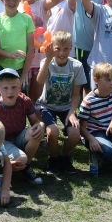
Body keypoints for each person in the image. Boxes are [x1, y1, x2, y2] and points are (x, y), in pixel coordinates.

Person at [35, 31, 87, 173]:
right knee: (52, 132)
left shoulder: (76, 66)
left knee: (75, 134)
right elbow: (39, 81)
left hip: (66, 107)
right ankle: (53, 158)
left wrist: (72, 112)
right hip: (46, 105)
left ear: (71, 48)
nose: (62, 53)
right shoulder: (46, 62)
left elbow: (76, 95)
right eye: (58, 49)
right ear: (52, 47)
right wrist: (47, 59)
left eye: (66, 49)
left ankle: (64, 158)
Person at [0, 68, 45, 184]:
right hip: (3, 142)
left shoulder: (25, 100)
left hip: (19, 136)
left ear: (20, 87)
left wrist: (41, 125)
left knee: (36, 132)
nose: (10, 92)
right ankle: (14, 166)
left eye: (14, 87)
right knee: (21, 158)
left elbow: (35, 121)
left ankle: (25, 166)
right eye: (5, 88)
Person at [0, 0, 35, 87]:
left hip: (22, 69)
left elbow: (31, 48)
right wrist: (10, 55)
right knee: (5, 100)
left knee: (21, 100)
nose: (12, 2)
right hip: (3, 69)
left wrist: (23, 75)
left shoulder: (27, 19)